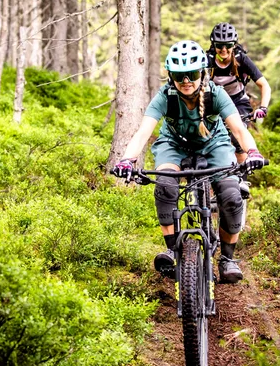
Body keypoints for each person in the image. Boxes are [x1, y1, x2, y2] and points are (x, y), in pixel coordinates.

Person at [111, 40, 266, 284]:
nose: (186, 81)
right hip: (174, 145)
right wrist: (127, 160)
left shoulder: (217, 94)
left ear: (202, 73)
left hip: (214, 143)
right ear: (171, 76)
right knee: (165, 186)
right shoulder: (165, 96)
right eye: (179, 75)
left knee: (231, 195)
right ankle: (173, 250)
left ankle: (227, 258)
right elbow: (143, 131)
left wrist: (253, 152)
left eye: (192, 74)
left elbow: (238, 129)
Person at [206, 22, 272, 166]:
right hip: (214, 104)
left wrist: (263, 107)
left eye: (228, 45)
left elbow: (264, 85)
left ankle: (242, 180)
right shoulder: (208, 60)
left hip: (238, 102)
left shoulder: (241, 59)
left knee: (237, 138)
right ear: (213, 45)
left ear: (234, 44)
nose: (224, 49)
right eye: (219, 45)